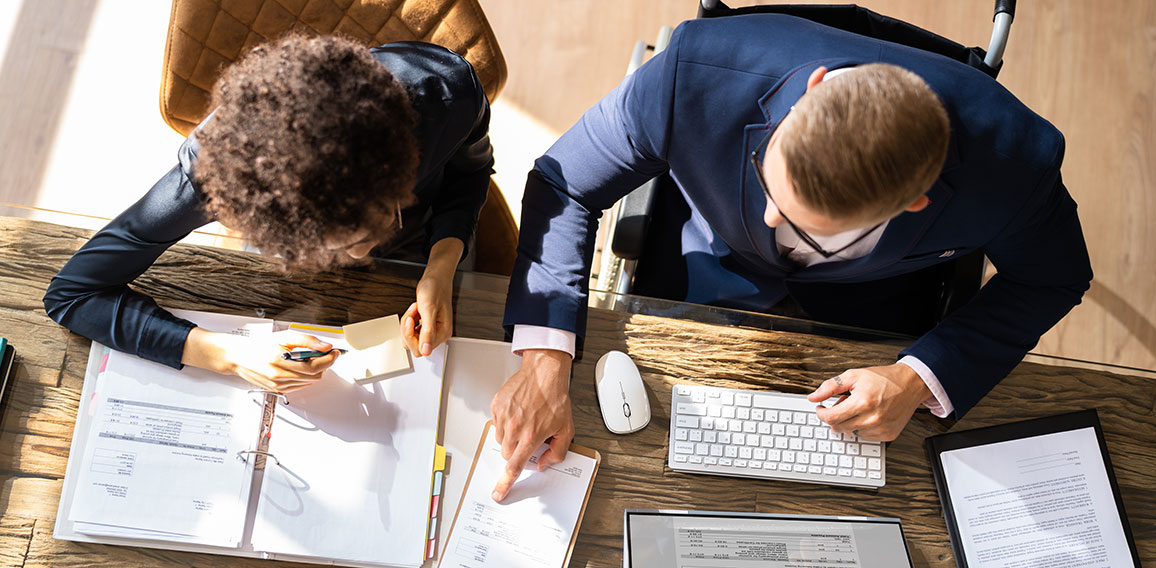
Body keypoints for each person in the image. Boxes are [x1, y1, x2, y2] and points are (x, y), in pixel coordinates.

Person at [491, 13, 1092, 501]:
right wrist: (544, 359)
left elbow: (1052, 279)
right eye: (770, 180)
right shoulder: (694, 72)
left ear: (914, 203)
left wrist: (915, 378)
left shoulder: (1013, 168)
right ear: (814, 88)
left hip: (874, 313)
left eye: (810, 224)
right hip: (703, 264)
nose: (774, 219)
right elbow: (565, 183)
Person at [44, 34, 494, 392]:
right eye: (340, 243)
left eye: (378, 219)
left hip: (429, 248)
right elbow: (71, 296)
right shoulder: (216, 177)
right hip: (287, 289)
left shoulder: (447, 92)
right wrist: (226, 354)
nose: (361, 254)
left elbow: (470, 174)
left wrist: (441, 263)